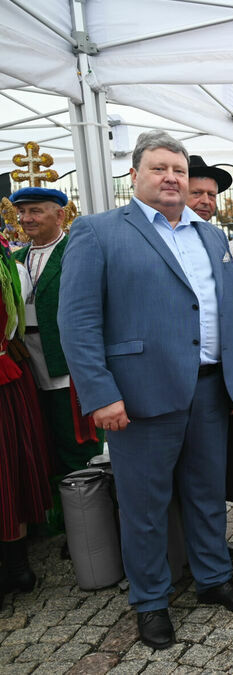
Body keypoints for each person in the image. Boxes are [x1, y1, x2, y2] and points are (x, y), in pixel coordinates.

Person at [58, 130, 233, 650]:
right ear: (134, 175)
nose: (171, 177)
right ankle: (150, 601)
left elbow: (224, 313)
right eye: (159, 168)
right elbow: (77, 321)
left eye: (178, 169)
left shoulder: (212, 236)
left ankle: (214, 577)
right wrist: (100, 394)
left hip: (210, 390)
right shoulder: (98, 231)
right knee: (144, 505)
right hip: (139, 395)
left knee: (206, 492)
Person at [10, 188, 103, 488]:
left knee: (77, 444)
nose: (26, 219)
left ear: (60, 214)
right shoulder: (17, 258)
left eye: (35, 211)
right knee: (43, 443)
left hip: (68, 368)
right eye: (22, 212)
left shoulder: (77, 251)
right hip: (29, 367)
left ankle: (87, 517)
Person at [185, 158, 233, 559]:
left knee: (209, 478)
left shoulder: (215, 239)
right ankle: (182, 556)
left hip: (211, 378)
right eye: (199, 193)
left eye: (211, 194)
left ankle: (212, 557)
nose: (207, 201)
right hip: (163, 379)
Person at [0, 236, 52, 610]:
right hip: (8, 372)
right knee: (9, 469)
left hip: (6, 376)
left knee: (8, 470)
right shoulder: (10, 264)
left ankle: (16, 566)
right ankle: (18, 566)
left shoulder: (10, 266)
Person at [186, 155, 232, 222]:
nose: (206, 201)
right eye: (197, 193)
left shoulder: (217, 232)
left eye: (211, 195)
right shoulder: (166, 231)